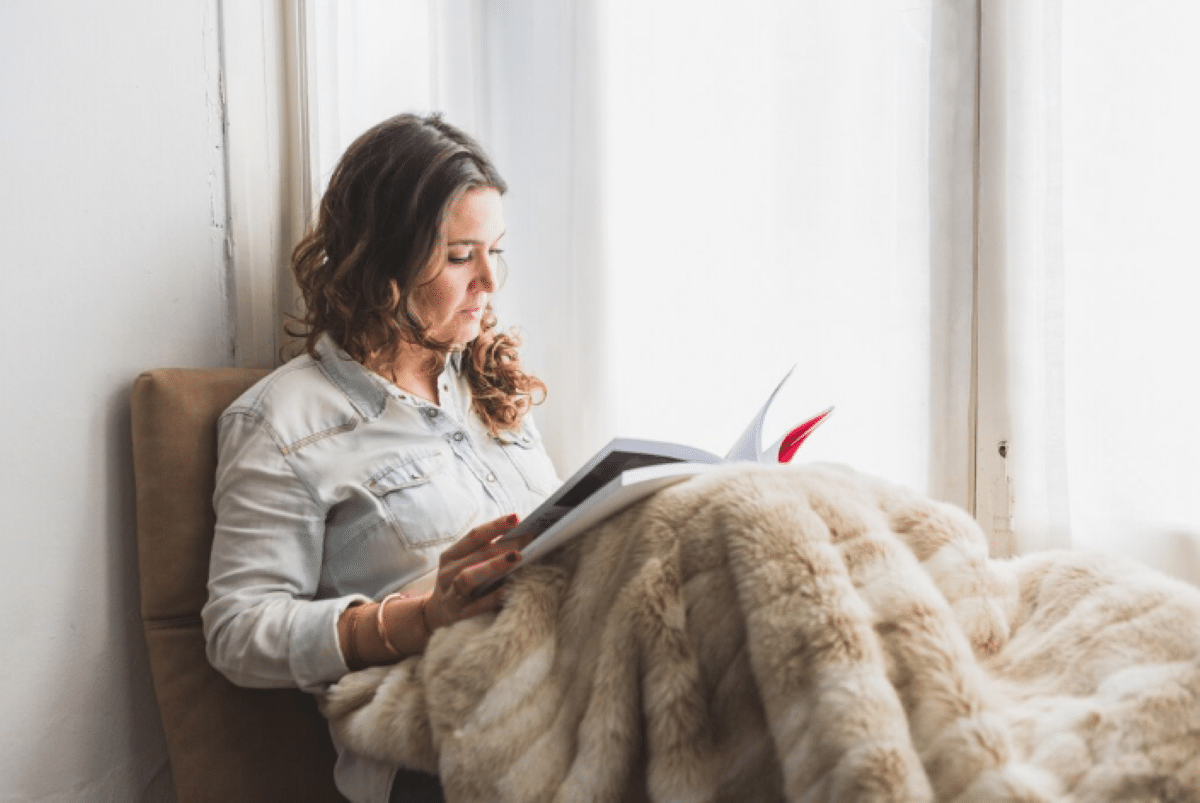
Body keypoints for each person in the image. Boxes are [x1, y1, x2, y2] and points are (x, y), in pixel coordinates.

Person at [201, 113, 560, 803]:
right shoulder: (282, 420)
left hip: (559, 684)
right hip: (435, 744)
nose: (490, 280)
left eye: (496, 250)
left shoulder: (490, 382)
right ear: (384, 261)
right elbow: (237, 630)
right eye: (461, 256)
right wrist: (415, 616)